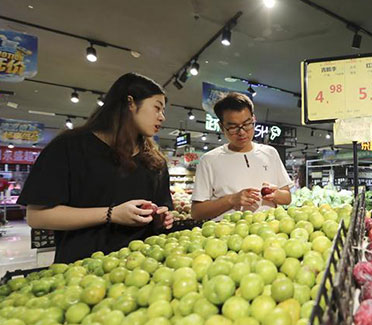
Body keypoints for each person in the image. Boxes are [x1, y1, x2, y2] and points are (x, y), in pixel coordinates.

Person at [18, 73, 174, 263]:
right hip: (81, 271)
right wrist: (111, 214)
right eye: (157, 108)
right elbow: (36, 216)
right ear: (130, 103)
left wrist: (160, 218)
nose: (162, 117)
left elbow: (162, 209)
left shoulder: (155, 161)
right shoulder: (69, 147)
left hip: (141, 270)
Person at [191, 92, 292, 220]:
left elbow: (287, 197)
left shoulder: (270, 153)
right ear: (222, 127)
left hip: (269, 234)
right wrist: (231, 199)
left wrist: (276, 194)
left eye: (247, 124)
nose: (242, 132)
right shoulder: (209, 160)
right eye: (233, 127)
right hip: (228, 236)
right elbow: (196, 213)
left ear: (253, 119)